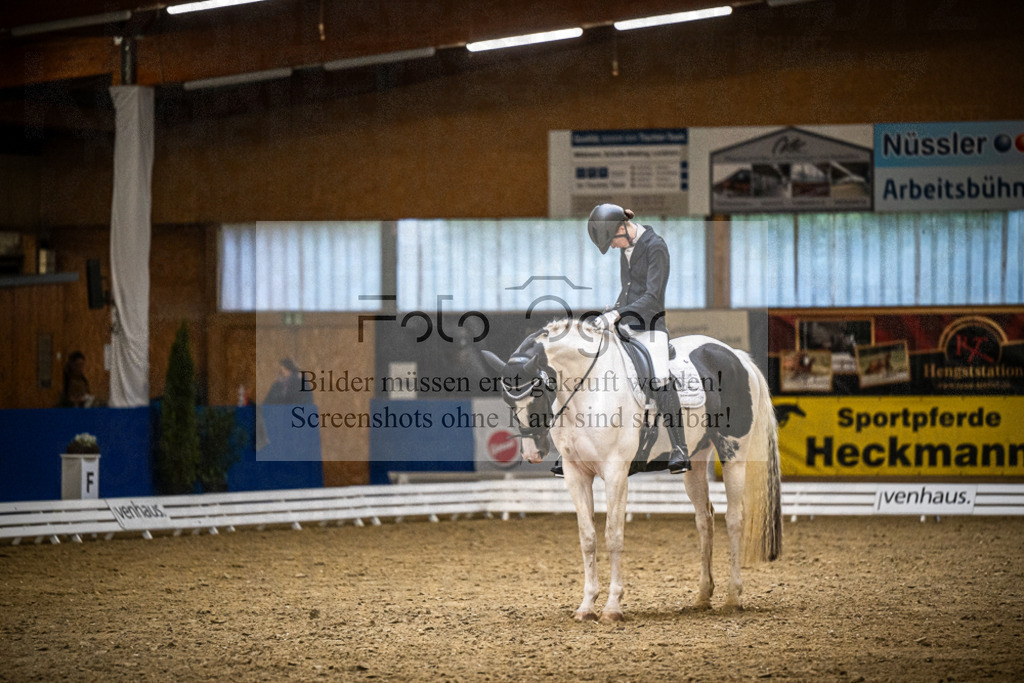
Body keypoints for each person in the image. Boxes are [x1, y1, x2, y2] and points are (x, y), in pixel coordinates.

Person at [550, 203, 691, 477]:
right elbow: (628, 291)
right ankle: (570, 447)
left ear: (622, 228)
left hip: (651, 325)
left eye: (612, 241)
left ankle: (680, 448)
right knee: (591, 365)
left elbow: (652, 297)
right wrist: (610, 311)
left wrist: (616, 313)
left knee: (659, 375)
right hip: (625, 323)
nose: (613, 247)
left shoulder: (655, 246)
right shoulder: (625, 247)